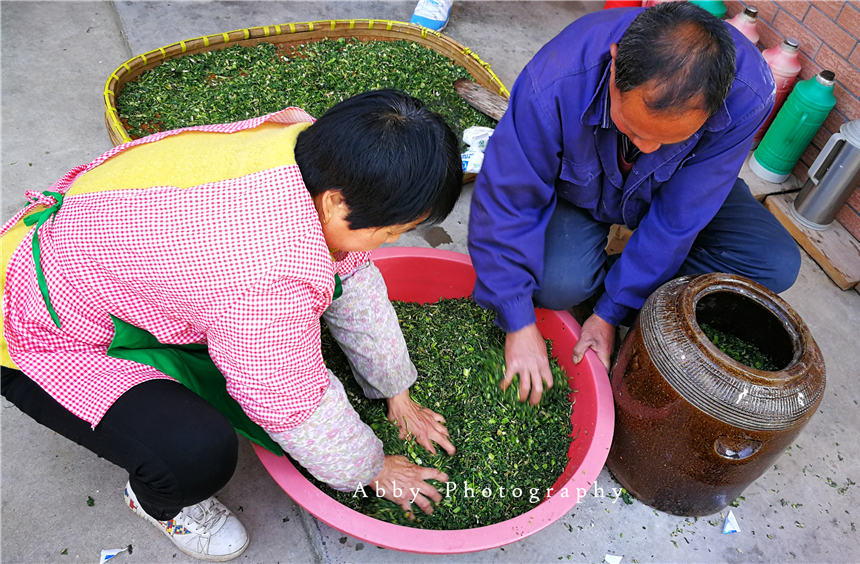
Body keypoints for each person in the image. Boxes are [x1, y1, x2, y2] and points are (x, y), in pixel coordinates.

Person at [0, 90, 462, 561]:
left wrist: (396, 388)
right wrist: (370, 468)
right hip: (44, 329)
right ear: (334, 203)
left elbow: (353, 274)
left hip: (105, 263)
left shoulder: (305, 149)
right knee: (197, 451)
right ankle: (159, 502)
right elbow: (287, 400)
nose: (386, 244)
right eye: (389, 233)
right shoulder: (265, 274)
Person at [467, 2, 801, 404]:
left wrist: (610, 312)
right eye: (632, 128)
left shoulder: (749, 92)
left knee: (774, 264)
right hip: (584, 189)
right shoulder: (556, 79)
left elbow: (679, 218)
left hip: (683, 187)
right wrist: (517, 321)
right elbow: (507, 198)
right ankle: (609, 278)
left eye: (669, 139)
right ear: (614, 66)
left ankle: (616, 285)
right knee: (556, 285)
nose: (647, 147)